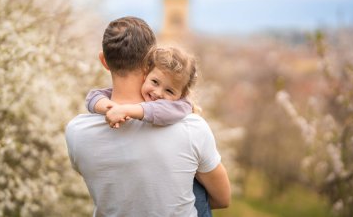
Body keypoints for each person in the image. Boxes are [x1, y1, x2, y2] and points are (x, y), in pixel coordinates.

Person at [65, 16, 231, 217]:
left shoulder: (76, 132)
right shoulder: (192, 128)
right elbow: (222, 199)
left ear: (103, 61)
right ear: (149, 63)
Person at [86, 46, 213, 216]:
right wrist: (108, 107)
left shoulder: (181, 106)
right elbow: (93, 96)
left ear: (181, 95)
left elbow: (161, 110)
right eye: (155, 82)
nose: (158, 93)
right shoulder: (136, 94)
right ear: (145, 75)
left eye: (169, 91)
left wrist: (127, 110)